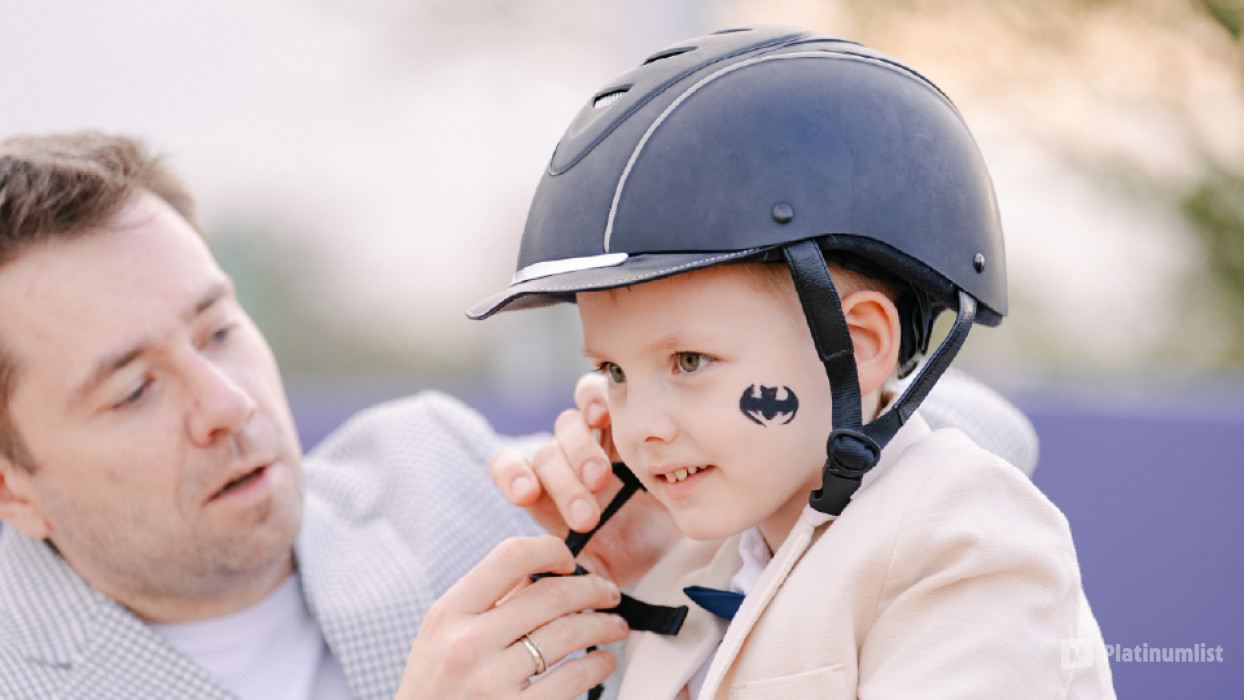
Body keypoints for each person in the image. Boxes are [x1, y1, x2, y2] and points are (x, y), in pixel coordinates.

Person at [471, 26, 1114, 698]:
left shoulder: (967, 536)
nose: (642, 428)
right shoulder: (694, 568)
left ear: (861, 345)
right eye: (615, 372)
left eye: (690, 360)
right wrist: (622, 583)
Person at [0, 131, 636, 699]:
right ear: (11, 486)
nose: (228, 404)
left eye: (217, 331)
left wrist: (676, 538)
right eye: (136, 390)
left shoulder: (455, 478)